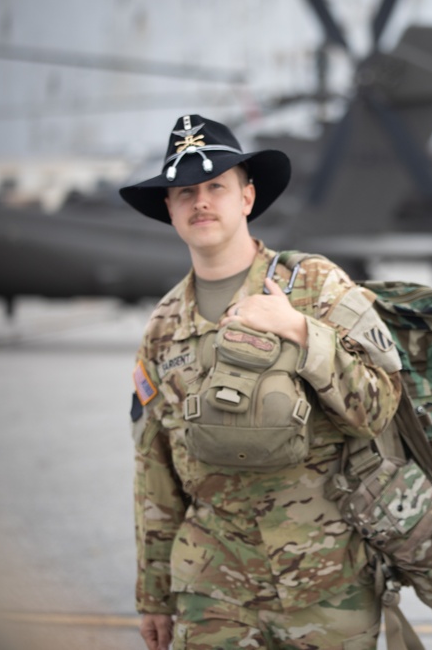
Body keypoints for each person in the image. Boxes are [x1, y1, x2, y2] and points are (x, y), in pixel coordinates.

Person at [119, 114, 402, 650]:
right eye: (185, 192)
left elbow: (381, 405)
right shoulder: (163, 326)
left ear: (247, 198)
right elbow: (152, 469)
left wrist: (301, 332)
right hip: (209, 586)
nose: (201, 202)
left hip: (325, 584)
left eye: (215, 187)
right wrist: (153, 594)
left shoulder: (314, 286)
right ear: (170, 209)